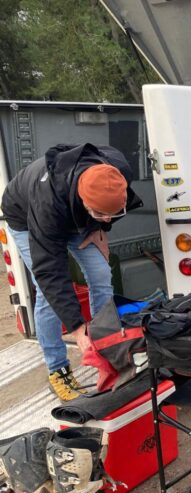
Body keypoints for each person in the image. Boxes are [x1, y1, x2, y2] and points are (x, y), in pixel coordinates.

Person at [1, 143, 139, 401]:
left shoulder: (117, 174)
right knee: (46, 292)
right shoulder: (47, 205)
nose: (109, 219)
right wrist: (77, 328)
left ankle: (106, 349)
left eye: (113, 214)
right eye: (102, 214)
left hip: (78, 216)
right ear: (84, 200)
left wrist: (100, 227)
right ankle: (57, 369)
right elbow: (51, 273)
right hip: (26, 219)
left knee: (100, 274)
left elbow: (109, 211)